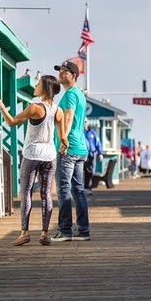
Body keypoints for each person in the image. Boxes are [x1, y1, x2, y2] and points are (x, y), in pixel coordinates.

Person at [0, 76, 66, 246]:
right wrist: (65, 146)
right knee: (46, 194)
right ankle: (45, 234)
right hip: (49, 155)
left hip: (32, 154)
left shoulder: (34, 108)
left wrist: (0, 104)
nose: (35, 87)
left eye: (38, 84)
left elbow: (11, 122)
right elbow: (62, 138)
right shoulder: (58, 111)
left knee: (26, 193)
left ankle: (24, 233)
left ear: (45, 88)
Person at [51, 60, 91, 242]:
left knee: (64, 189)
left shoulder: (70, 95)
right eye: (60, 71)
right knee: (78, 190)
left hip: (69, 148)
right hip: (81, 148)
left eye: (65, 71)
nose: (61, 73)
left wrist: (63, 139)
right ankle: (83, 230)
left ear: (74, 76)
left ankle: (65, 230)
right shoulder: (80, 94)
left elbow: (68, 116)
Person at [83, 118, 104, 193]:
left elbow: (98, 144)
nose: (84, 123)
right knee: (80, 171)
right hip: (81, 154)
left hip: (91, 155)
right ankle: (82, 188)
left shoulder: (92, 132)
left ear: (88, 122)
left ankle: (88, 187)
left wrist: (100, 153)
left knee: (89, 171)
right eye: (83, 121)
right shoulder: (79, 132)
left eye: (85, 122)